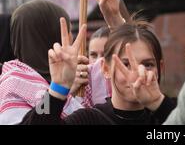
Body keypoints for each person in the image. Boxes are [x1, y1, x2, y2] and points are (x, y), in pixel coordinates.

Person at [22, 19, 175, 125]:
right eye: (125, 64)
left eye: (148, 65)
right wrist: (57, 90)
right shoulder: (88, 119)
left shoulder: (174, 113)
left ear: (160, 68)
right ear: (106, 69)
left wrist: (159, 105)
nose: (137, 74)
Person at [0, 0, 83, 124]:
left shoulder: (77, 75)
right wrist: (58, 91)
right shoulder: (14, 84)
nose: (72, 37)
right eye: (68, 31)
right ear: (50, 35)